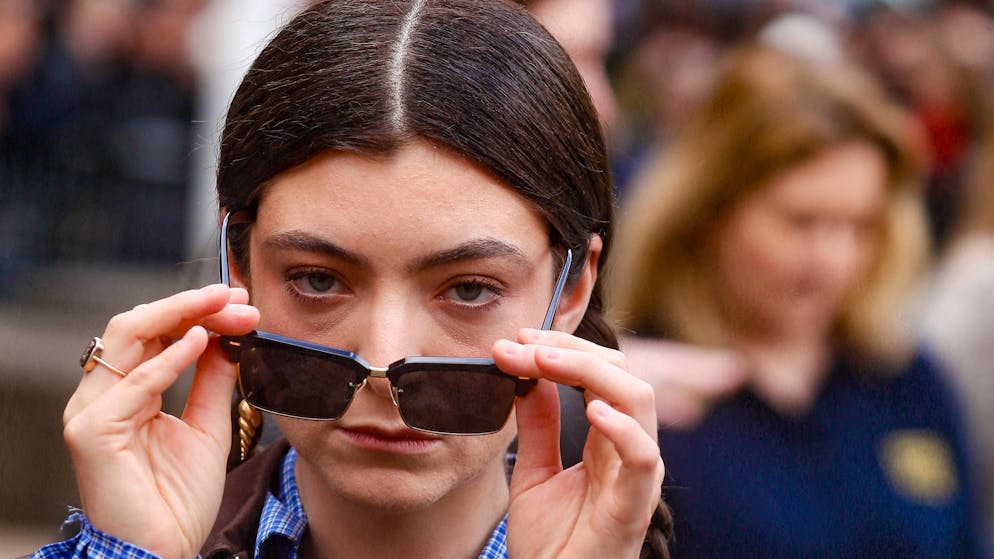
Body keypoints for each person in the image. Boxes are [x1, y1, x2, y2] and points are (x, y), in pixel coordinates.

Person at [31, 1, 669, 558]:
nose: (382, 362)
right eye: (317, 280)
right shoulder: (143, 540)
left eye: (469, 289)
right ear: (239, 266)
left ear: (572, 289)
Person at [610, 45, 985, 558]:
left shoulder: (905, 380)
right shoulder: (646, 395)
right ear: (709, 213)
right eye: (802, 221)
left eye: (861, 225)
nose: (834, 259)